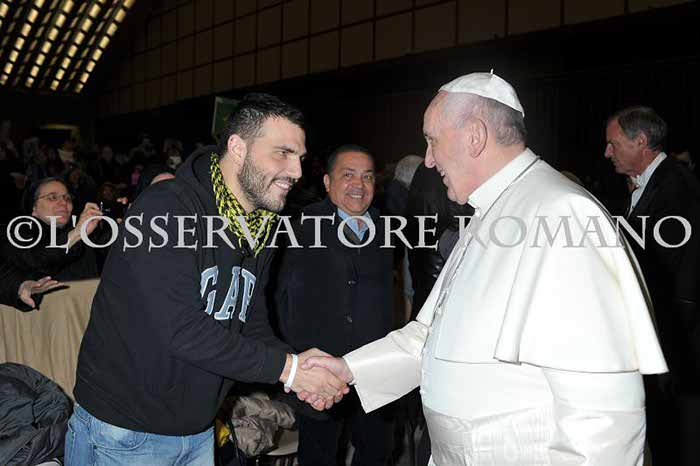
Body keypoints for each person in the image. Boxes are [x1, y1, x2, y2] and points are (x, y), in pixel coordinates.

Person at [300, 72, 668, 465]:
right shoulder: (489, 211)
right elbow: (429, 337)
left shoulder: (563, 214)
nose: (428, 159)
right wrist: (348, 369)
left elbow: (603, 418)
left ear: (475, 136)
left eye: (432, 140)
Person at [66, 94, 348, 466]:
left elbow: (249, 321)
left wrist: (295, 365)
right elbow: (182, 329)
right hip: (127, 431)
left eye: (299, 157)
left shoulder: (261, 227)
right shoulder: (166, 208)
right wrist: (290, 370)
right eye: (283, 153)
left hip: (198, 428)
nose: (296, 171)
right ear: (238, 148)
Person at [273, 145, 395, 466]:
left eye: (367, 177)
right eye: (348, 175)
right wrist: (293, 358)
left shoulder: (385, 228)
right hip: (320, 372)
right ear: (328, 182)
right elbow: (279, 297)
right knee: (318, 455)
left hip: (372, 370)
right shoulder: (302, 227)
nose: (359, 185)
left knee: (375, 452)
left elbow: (386, 297)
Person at [604, 106, 700, 466]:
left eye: (613, 144)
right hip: (664, 338)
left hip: (675, 341)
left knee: (676, 438)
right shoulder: (651, 184)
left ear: (640, 141)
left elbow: (673, 272)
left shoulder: (677, 187)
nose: (607, 153)